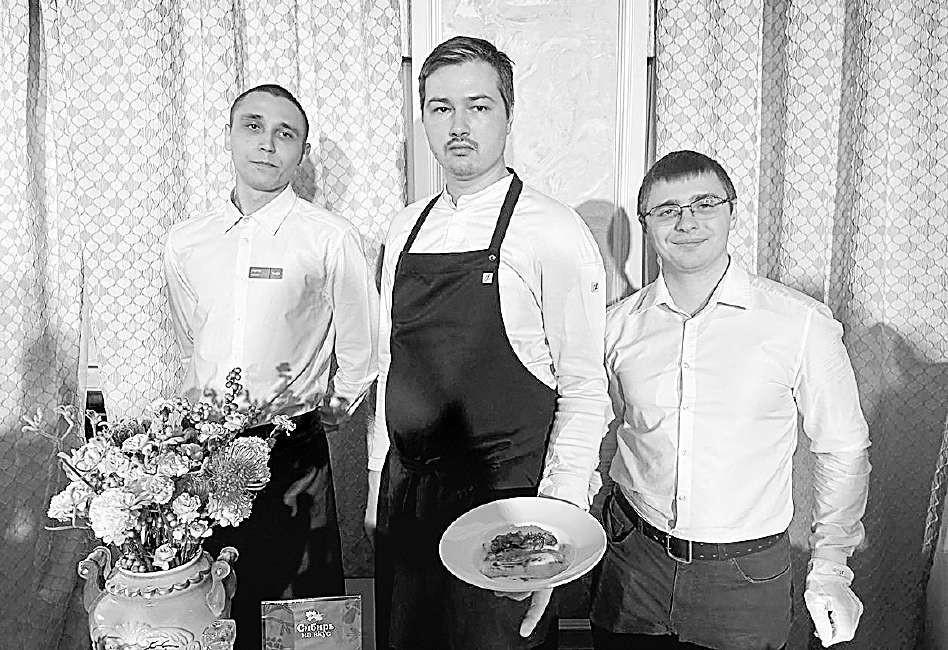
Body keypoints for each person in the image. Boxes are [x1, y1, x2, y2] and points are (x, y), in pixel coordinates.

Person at [365, 36, 612, 649]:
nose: (459, 125)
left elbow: (584, 390)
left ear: (508, 114)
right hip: (408, 499)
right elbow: (391, 364)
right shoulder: (406, 226)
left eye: (478, 106)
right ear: (424, 118)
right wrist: (376, 483)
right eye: (441, 108)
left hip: (506, 511)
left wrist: (557, 526)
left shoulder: (553, 230)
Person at [590, 150, 871, 649]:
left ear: (731, 212)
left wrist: (831, 565)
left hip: (744, 575)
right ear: (646, 224)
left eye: (704, 204)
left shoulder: (800, 323)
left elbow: (843, 448)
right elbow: (602, 432)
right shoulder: (617, 326)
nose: (687, 222)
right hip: (633, 558)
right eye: (667, 210)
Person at [163, 84, 378, 650]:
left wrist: (334, 407)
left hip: (292, 449)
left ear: (302, 153)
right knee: (214, 600)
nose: (267, 143)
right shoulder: (186, 242)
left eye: (286, 134)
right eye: (253, 126)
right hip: (204, 451)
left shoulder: (329, 237)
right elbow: (192, 336)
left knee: (305, 618)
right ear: (229, 136)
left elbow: (364, 345)